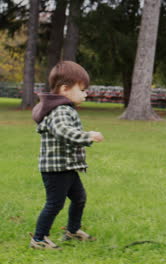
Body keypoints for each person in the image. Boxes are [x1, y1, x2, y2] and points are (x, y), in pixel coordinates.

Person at [30, 61, 104, 250]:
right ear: (65, 89)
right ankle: (39, 239)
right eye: (82, 89)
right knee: (55, 204)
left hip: (67, 167)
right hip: (56, 170)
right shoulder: (60, 110)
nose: (85, 94)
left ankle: (72, 231)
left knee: (79, 198)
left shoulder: (64, 108)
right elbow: (64, 132)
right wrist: (87, 136)